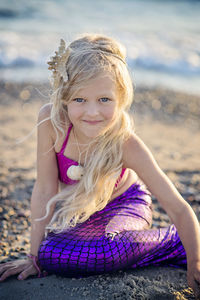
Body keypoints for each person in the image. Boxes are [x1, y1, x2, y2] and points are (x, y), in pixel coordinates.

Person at [0, 34, 200, 299]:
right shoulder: (51, 122)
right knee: (50, 254)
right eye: (80, 100)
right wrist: (33, 258)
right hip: (79, 205)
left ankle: (171, 242)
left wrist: (195, 260)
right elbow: (45, 189)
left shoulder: (125, 144)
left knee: (106, 251)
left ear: (121, 98)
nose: (92, 112)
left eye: (104, 100)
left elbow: (177, 206)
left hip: (126, 204)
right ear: (64, 97)